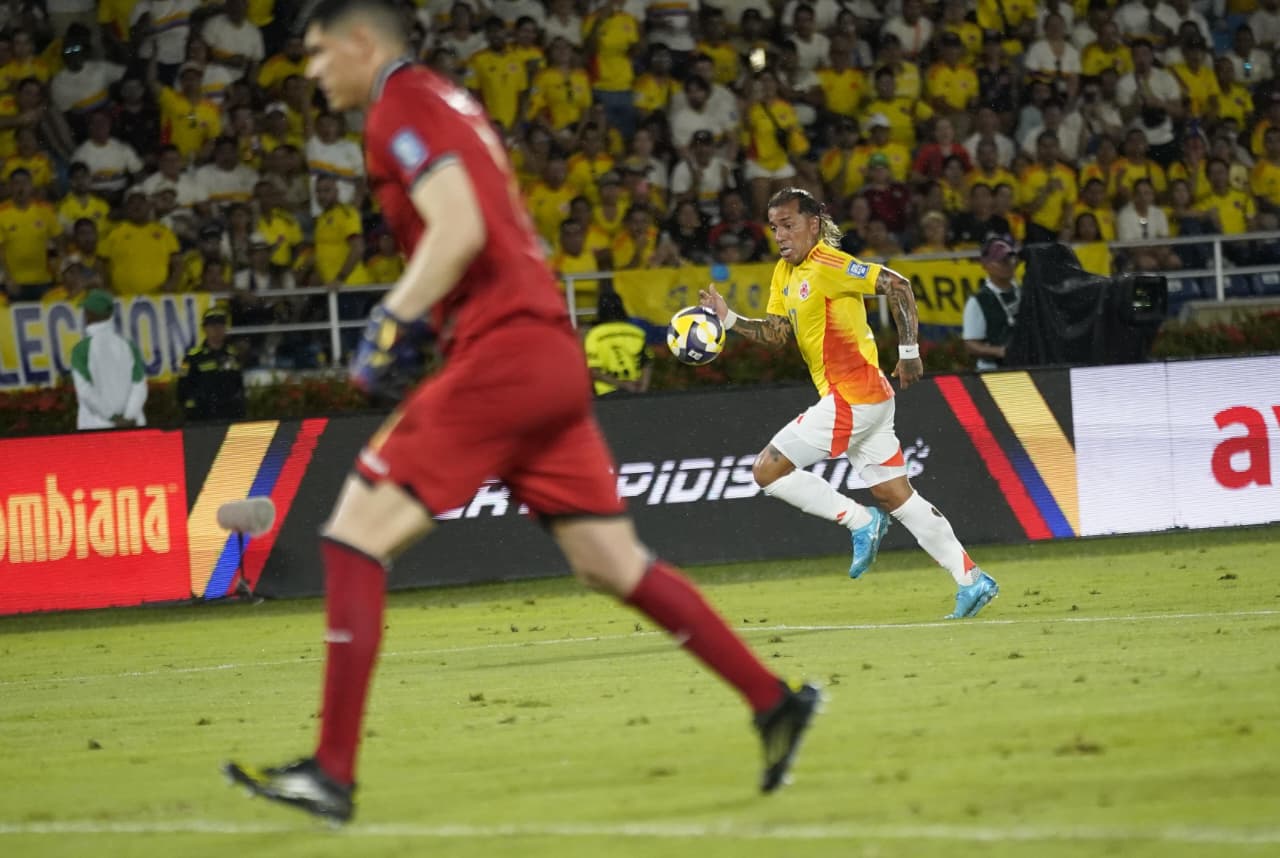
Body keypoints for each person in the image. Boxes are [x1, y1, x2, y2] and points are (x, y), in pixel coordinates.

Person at [223, 0, 820, 823]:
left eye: (320, 52)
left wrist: (393, 316)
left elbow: (459, 225)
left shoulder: (399, 105)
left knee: (353, 538)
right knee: (612, 564)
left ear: (363, 43)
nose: (313, 70)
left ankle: (331, 770)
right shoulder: (442, 101)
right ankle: (774, 701)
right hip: (542, 353)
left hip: (501, 355)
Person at [699, 187, 998, 618]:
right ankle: (971, 578)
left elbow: (898, 284)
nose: (780, 235)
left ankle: (861, 521)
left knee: (767, 470)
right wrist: (728, 319)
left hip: (854, 395)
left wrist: (910, 352)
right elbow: (778, 335)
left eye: (789, 225)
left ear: (814, 224)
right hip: (866, 401)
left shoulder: (830, 265)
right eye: (774, 227)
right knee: (897, 496)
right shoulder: (784, 273)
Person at [70, 289, 148, 431]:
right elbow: (139, 385)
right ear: (110, 314)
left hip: (96, 427)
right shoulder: (128, 345)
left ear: (88, 315)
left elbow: (85, 391)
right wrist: (128, 417)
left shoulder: (81, 350)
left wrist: (113, 418)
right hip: (133, 426)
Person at [962, 236, 1021, 371]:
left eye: (1009, 258)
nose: (1007, 263)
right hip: (993, 370)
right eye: (1001, 260)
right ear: (986, 265)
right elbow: (970, 345)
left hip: (1026, 367)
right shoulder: (978, 300)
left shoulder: (1024, 292)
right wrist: (1000, 351)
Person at [177, 305, 246, 421]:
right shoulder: (193, 357)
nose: (217, 330)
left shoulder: (233, 355)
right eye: (212, 326)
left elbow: (239, 386)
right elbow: (183, 389)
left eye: (220, 326)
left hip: (230, 415)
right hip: (202, 417)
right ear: (205, 329)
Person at [584, 291, 652, 396]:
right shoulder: (637, 332)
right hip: (636, 393)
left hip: (607, 396)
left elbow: (593, 371)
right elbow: (647, 364)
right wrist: (642, 389)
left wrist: (622, 385)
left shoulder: (595, 335)